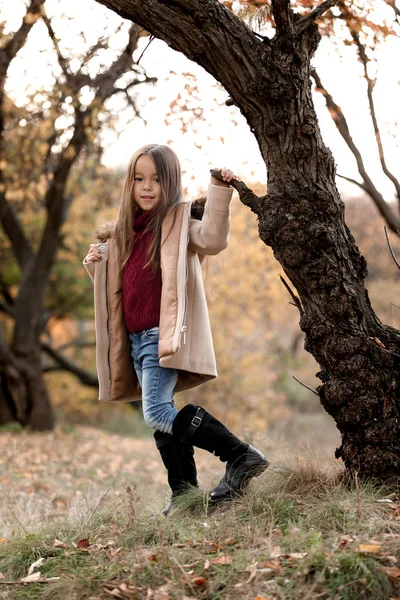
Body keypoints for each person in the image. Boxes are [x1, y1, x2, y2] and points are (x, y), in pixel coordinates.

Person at [83, 144, 268, 515]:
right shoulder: (123, 235)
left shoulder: (179, 224)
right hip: (135, 341)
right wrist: (96, 266)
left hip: (159, 336)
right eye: (139, 179)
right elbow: (122, 291)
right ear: (129, 184)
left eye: (156, 179)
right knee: (161, 416)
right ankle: (185, 496)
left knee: (156, 414)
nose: (147, 187)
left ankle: (241, 455)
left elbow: (214, 240)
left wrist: (219, 189)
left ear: (171, 183)